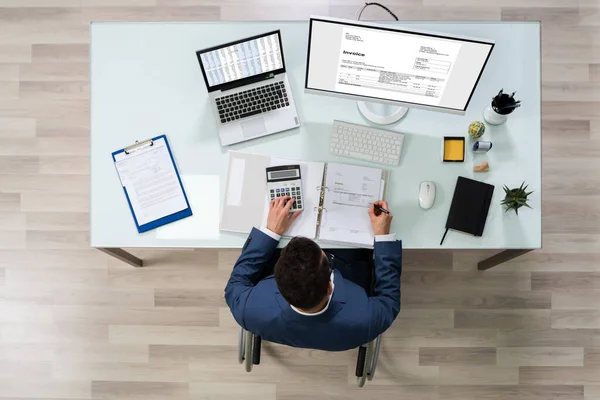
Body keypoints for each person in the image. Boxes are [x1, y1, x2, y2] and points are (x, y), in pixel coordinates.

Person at [224, 196, 402, 352]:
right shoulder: (367, 320)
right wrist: (383, 236)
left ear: (277, 282)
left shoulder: (246, 309)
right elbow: (389, 298)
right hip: (350, 267)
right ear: (330, 287)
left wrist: (271, 231)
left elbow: (238, 280)